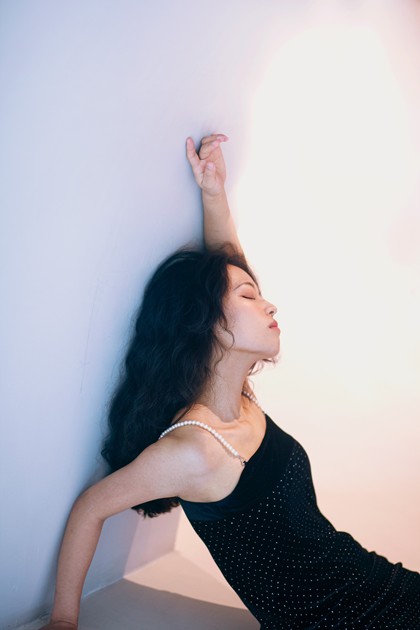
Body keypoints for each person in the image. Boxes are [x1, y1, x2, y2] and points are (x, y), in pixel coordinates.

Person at [41, 135, 419, 630]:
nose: (270, 304)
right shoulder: (195, 450)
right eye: (249, 297)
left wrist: (213, 193)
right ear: (211, 325)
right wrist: (64, 620)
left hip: (379, 585)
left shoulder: (238, 400)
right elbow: (91, 508)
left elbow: (229, 271)